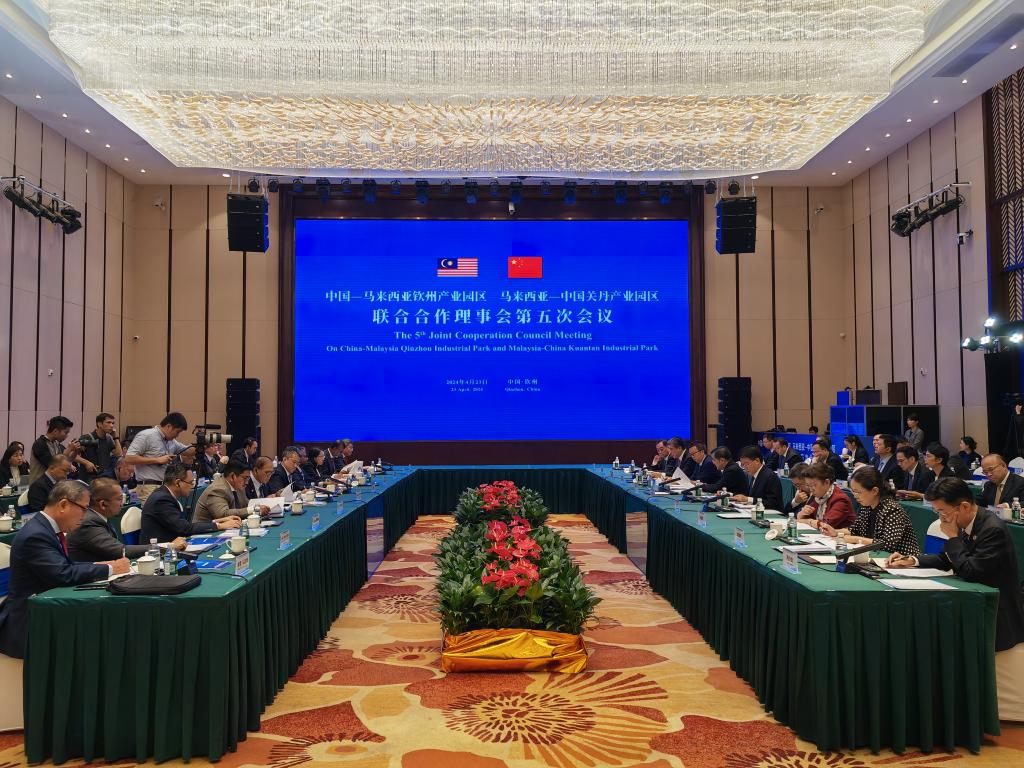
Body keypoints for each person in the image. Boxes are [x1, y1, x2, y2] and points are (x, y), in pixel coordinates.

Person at [888, 478, 1024, 720]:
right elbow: (948, 558)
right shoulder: (966, 521)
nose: (940, 518)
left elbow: (970, 570)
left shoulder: (992, 529)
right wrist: (913, 560)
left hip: (997, 613)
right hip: (972, 602)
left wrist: (952, 538)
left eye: (942, 511)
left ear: (963, 506)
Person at [0, 480, 129, 658]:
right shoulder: (35, 535)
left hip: (48, 609)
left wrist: (99, 565)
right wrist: (110, 569)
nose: (85, 515)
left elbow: (63, 565)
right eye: (84, 509)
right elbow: (63, 574)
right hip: (30, 623)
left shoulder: (44, 527)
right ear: (63, 505)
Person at [67, 478, 185, 562]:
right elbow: (121, 551)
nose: (122, 503)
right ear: (103, 504)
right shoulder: (89, 523)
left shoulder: (97, 517)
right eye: (119, 499)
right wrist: (168, 546)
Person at [820, 466, 920, 555]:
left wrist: (855, 539)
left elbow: (887, 544)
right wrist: (836, 532)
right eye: (853, 492)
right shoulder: (867, 506)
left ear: (874, 491)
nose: (855, 496)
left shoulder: (892, 509)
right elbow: (854, 530)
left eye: (858, 492)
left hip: (902, 561)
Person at [140, 462, 239, 542]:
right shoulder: (161, 500)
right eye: (190, 482)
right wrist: (220, 526)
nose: (192, 486)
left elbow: (184, 525)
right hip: (159, 553)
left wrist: (218, 521)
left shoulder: (166, 495)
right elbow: (184, 529)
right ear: (177, 483)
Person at [124, 413, 192, 503]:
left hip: (165, 487)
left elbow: (188, 451)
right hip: (149, 487)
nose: (177, 435)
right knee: (154, 512)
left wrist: (203, 444)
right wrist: (157, 460)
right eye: (177, 432)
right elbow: (128, 458)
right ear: (169, 426)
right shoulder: (146, 435)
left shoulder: (171, 442)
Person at [194, 460, 268, 524]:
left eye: (248, 479)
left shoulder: (238, 486)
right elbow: (223, 514)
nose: (247, 482)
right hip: (206, 532)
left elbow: (246, 505)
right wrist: (253, 509)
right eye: (245, 478)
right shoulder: (217, 489)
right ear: (232, 476)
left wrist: (261, 506)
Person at [796, 463, 856, 530]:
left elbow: (825, 525)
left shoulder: (840, 499)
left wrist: (808, 521)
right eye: (808, 485)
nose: (811, 489)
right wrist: (801, 514)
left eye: (813, 485)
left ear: (826, 482)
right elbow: (803, 518)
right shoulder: (817, 495)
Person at [28, 416, 81, 483]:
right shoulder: (40, 444)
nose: (67, 435)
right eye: (65, 432)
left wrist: (75, 451)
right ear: (55, 431)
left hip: (53, 484)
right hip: (39, 485)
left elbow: (68, 460)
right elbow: (54, 465)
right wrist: (69, 449)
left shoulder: (56, 443)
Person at [734, 445, 784, 510]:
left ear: (757, 461)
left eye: (747, 464)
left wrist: (748, 499)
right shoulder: (754, 475)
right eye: (743, 465)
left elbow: (773, 503)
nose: (745, 467)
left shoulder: (770, 476)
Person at [77, 412, 123, 482]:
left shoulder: (109, 439)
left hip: (103, 477)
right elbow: (73, 455)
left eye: (113, 423)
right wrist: (86, 462)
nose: (111, 425)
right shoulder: (87, 437)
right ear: (99, 424)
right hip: (88, 478)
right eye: (108, 422)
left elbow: (118, 454)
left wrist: (115, 438)